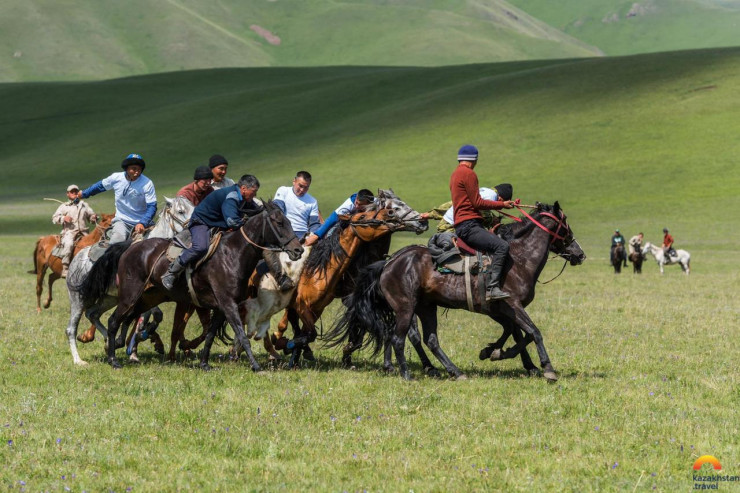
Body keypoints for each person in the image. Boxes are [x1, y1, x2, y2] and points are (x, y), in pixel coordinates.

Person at [161, 175, 261, 290]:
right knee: (200, 247)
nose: (255, 195)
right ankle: (171, 272)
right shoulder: (232, 196)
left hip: (217, 223)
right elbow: (232, 222)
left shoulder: (244, 197)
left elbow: (257, 210)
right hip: (202, 222)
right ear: (243, 188)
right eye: (254, 192)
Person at [450, 145, 515, 301]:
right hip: (469, 225)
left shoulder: (455, 174)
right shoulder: (469, 173)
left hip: (463, 224)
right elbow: (477, 202)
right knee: (502, 246)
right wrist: (502, 204)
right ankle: (492, 289)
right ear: (474, 159)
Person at [78, 153, 157, 244]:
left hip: (143, 224)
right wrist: (84, 194)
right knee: (117, 242)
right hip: (122, 221)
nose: (137, 172)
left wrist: (143, 223)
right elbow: (100, 186)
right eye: (134, 169)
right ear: (126, 168)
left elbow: (152, 207)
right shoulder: (116, 178)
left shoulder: (147, 183)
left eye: (139, 169)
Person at [423, 184, 512, 233]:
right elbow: (484, 215)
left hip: (446, 223)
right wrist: (494, 222)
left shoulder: (484, 191)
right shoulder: (492, 196)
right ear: (501, 198)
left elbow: (453, 204)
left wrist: (430, 214)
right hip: (452, 227)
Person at [52, 184, 97, 277]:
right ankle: (65, 267)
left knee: (95, 245)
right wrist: (63, 218)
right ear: (68, 194)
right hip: (70, 232)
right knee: (69, 244)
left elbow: (91, 217)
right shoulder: (64, 206)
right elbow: (54, 218)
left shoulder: (84, 205)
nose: (74, 193)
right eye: (72, 192)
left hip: (84, 232)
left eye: (76, 191)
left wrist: (94, 217)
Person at [303, 189, 375, 246]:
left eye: (361, 205)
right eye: (356, 202)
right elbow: (331, 220)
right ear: (356, 198)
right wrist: (317, 235)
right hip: (346, 223)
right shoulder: (348, 205)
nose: (356, 206)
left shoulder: (376, 203)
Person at [273, 171, 321, 239]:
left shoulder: (313, 201)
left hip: (303, 235)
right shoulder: (283, 191)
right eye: (300, 186)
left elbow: (314, 224)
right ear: (294, 181)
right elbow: (277, 210)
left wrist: (312, 237)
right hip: (284, 231)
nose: (302, 190)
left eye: (306, 187)